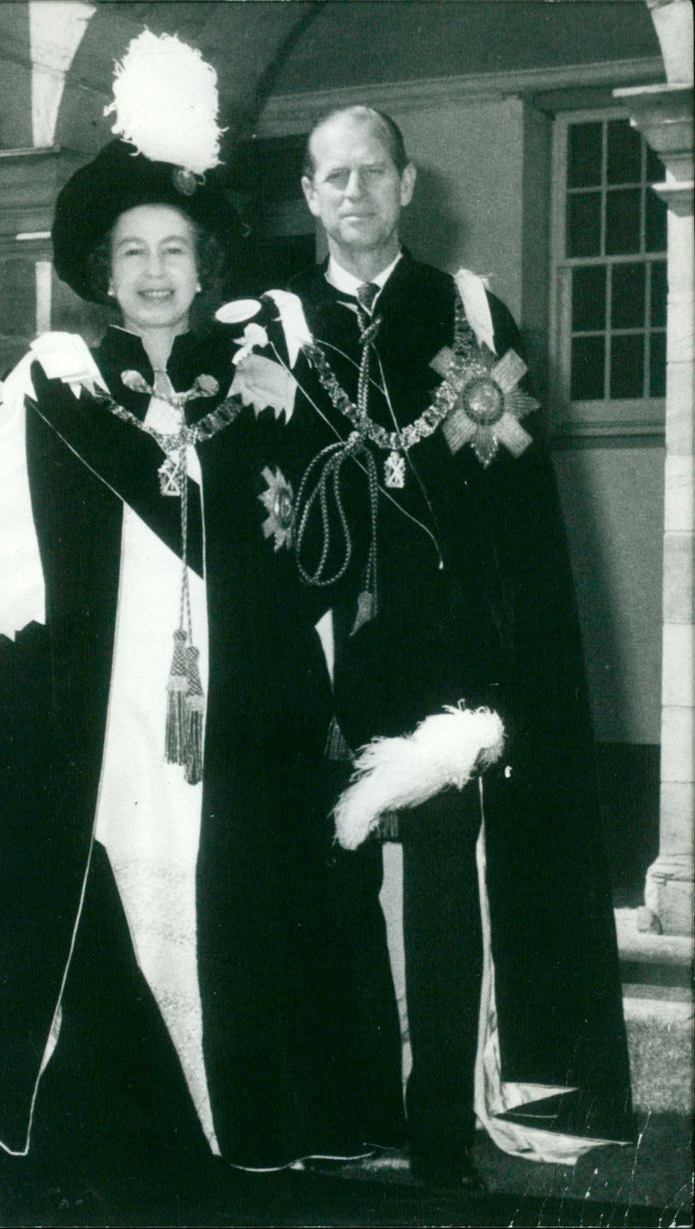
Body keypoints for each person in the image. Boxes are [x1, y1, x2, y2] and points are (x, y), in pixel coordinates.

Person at [0, 44, 400, 1226]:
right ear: (99, 272)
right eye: (131, 252)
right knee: (108, 896)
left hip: (232, 720)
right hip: (101, 718)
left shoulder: (263, 388)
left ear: (204, 263)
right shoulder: (53, 386)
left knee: (221, 897)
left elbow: (323, 558)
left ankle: (234, 1118)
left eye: (174, 249)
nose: (155, 271)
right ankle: (92, 1121)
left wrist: (302, 419)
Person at [282, 104, 635, 1187]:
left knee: (442, 896)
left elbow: (516, 513)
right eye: (333, 176)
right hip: (315, 657)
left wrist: (505, 679)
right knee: (323, 888)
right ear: (307, 193)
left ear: (407, 182)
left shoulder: (469, 314)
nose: (354, 193)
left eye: (373, 171)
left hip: (444, 666)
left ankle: (436, 1124)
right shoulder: (269, 330)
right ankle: (345, 1112)